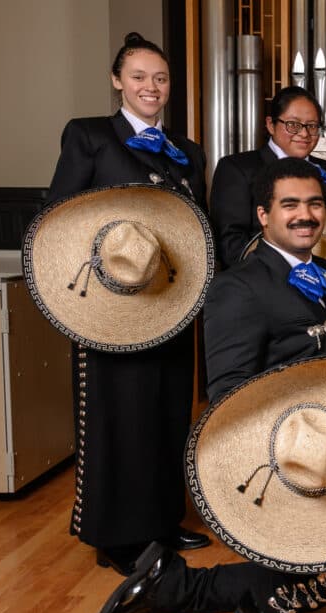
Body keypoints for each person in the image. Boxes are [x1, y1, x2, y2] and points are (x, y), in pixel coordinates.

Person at [89, 158, 326, 613]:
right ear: (263, 215)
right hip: (283, 458)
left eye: (315, 203)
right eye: (289, 204)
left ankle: (177, 587)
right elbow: (229, 398)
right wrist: (300, 441)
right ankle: (276, 607)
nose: (305, 215)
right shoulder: (239, 288)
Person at [45, 32, 210, 576]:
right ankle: (114, 536)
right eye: (139, 77)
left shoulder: (187, 151)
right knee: (117, 418)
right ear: (117, 81)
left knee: (166, 413)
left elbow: (196, 231)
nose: (151, 87)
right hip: (107, 308)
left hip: (170, 302)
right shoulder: (91, 137)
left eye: (160, 79)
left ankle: (162, 521)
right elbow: (58, 220)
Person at [211, 86, 326, 268]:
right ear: (270, 125)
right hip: (262, 287)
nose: (304, 134)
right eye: (293, 125)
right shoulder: (236, 169)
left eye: (312, 126)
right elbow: (231, 246)